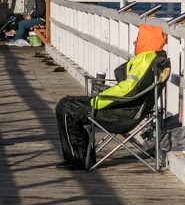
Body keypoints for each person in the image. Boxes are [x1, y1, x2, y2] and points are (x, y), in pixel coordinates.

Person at [54, 25, 169, 170]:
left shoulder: (145, 61)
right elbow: (131, 88)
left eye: (138, 39)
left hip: (122, 115)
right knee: (70, 104)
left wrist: (99, 99)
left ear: (147, 41)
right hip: (132, 110)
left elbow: (128, 90)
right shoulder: (157, 59)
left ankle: (78, 158)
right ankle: (83, 156)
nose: (135, 42)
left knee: (66, 106)